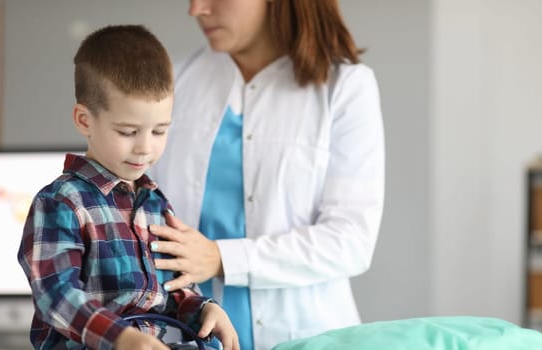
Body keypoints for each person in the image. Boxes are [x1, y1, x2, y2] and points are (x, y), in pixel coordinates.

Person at [148, 1, 385, 349]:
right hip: (185, 335)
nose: (197, 9)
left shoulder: (346, 87)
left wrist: (221, 258)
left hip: (310, 336)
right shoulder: (173, 82)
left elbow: (350, 240)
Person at [17, 25, 238, 350]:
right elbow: (56, 296)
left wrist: (205, 309)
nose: (145, 148)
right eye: (127, 132)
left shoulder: (155, 204)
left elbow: (174, 289)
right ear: (84, 120)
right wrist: (120, 337)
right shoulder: (61, 203)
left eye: (159, 131)